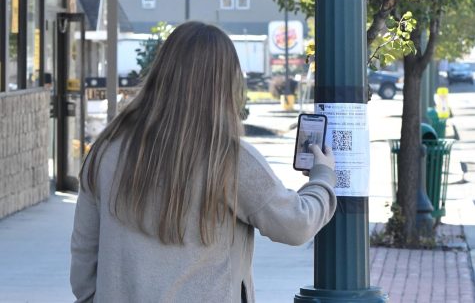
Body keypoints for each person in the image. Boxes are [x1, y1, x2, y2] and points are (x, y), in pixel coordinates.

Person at [70, 21, 336, 303]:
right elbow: (296, 224)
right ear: (226, 85)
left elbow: (84, 252)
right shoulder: (229, 159)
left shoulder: (107, 151)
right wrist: (322, 178)